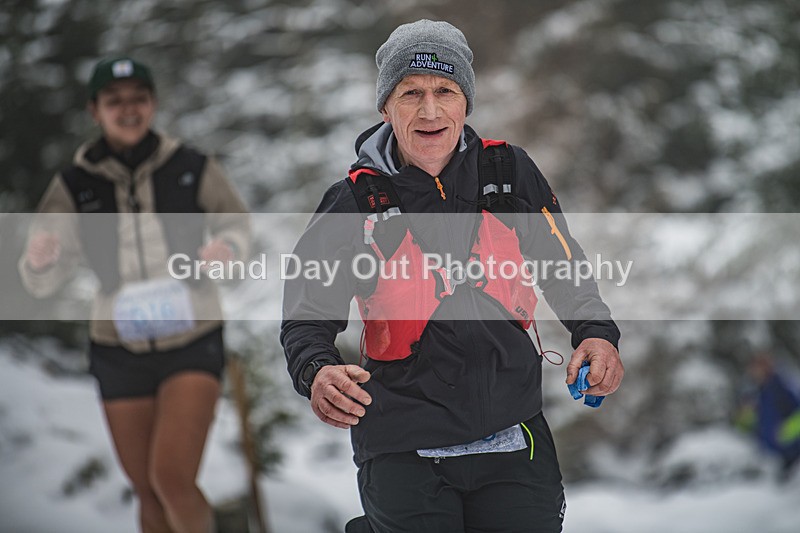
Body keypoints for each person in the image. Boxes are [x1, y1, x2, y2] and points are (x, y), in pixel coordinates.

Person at [281, 20, 623, 532]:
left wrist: (596, 333)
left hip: (514, 435)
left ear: (466, 103)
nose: (430, 110)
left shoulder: (509, 174)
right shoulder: (355, 202)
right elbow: (306, 316)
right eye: (410, 93)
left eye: (445, 91)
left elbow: (563, 265)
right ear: (385, 108)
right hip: (402, 442)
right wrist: (317, 371)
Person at [20, 55, 250, 533]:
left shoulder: (190, 165)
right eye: (114, 101)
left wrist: (227, 248)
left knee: (171, 477)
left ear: (153, 105)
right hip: (116, 345)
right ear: (95, 111)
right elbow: (43, 268)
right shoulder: (74, 184)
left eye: (138, 100)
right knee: (146, 487)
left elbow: (237, 224)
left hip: (193, 333)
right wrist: (40, 261)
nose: (128, 110)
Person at [737, 352, 800, 479]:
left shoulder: (781, 387)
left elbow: (797, 414)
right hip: (768, 459)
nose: (756, 371)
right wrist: (745, 417)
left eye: (760, 366)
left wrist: (786, 432)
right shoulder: (755, 392)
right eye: (754, 367)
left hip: (790, 456)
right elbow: (749, 425)